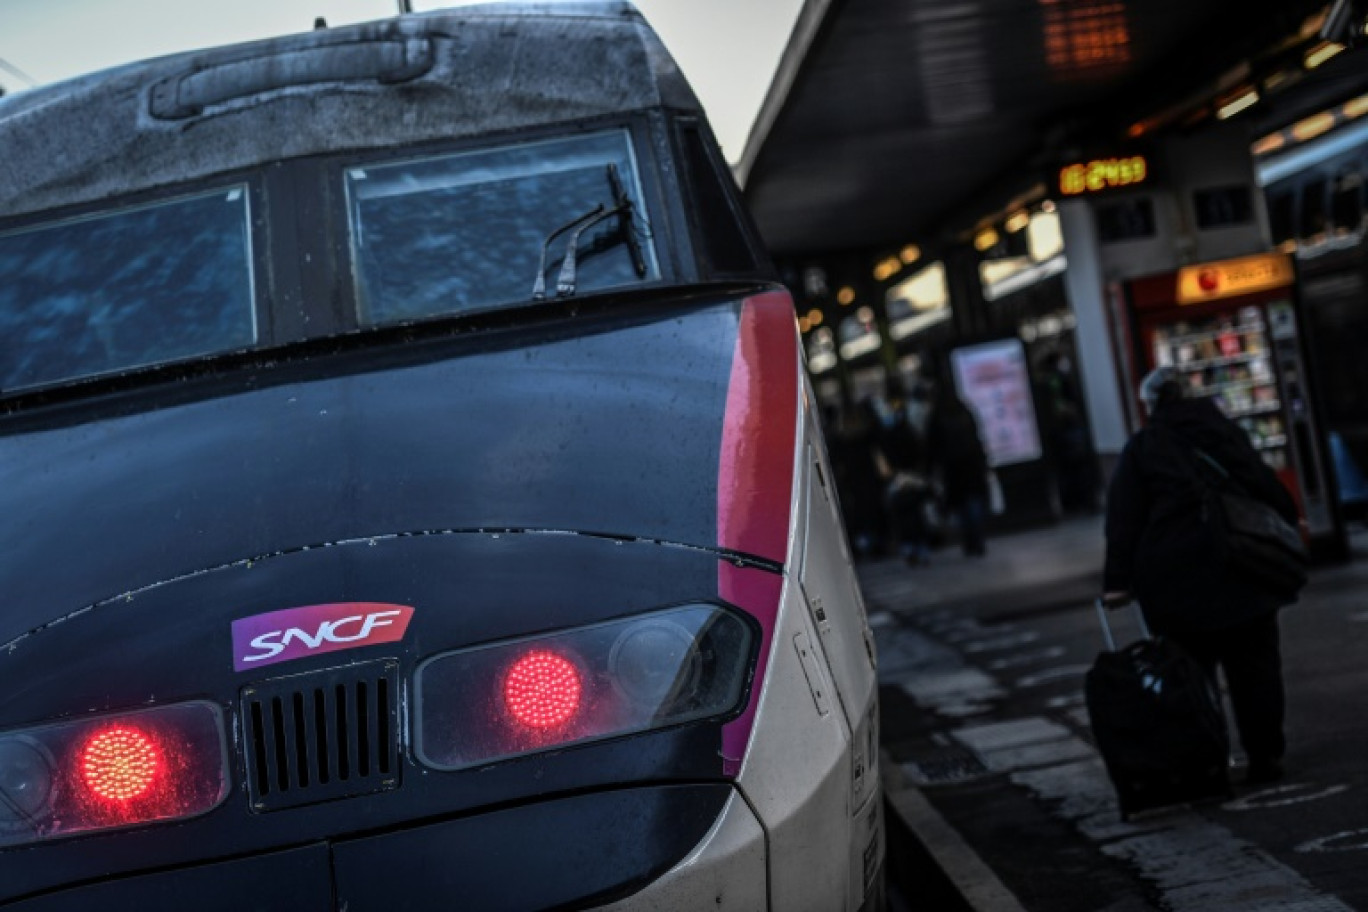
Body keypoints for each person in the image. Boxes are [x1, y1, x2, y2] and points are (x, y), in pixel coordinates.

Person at [1102, 366, 1299, 784]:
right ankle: (1265, 755)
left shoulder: (1143, 448)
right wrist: (1286, 529)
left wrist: (1117, 582)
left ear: (1152, 405)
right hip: (1244, 569)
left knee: (1192, 676)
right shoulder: (1223, 432)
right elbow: (1266, 486)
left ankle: (1209, 761)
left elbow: (1124, 520)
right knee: (1256, 671)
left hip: (1177, 583)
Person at [927, 389, 990, 556]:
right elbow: (976, 435)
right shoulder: (964, 411)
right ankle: (978, 539)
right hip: (972, 465)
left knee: (962, 507)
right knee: (974, 502)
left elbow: (932, 446)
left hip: (953, 468)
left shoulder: (937, 417)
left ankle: (970, 540)